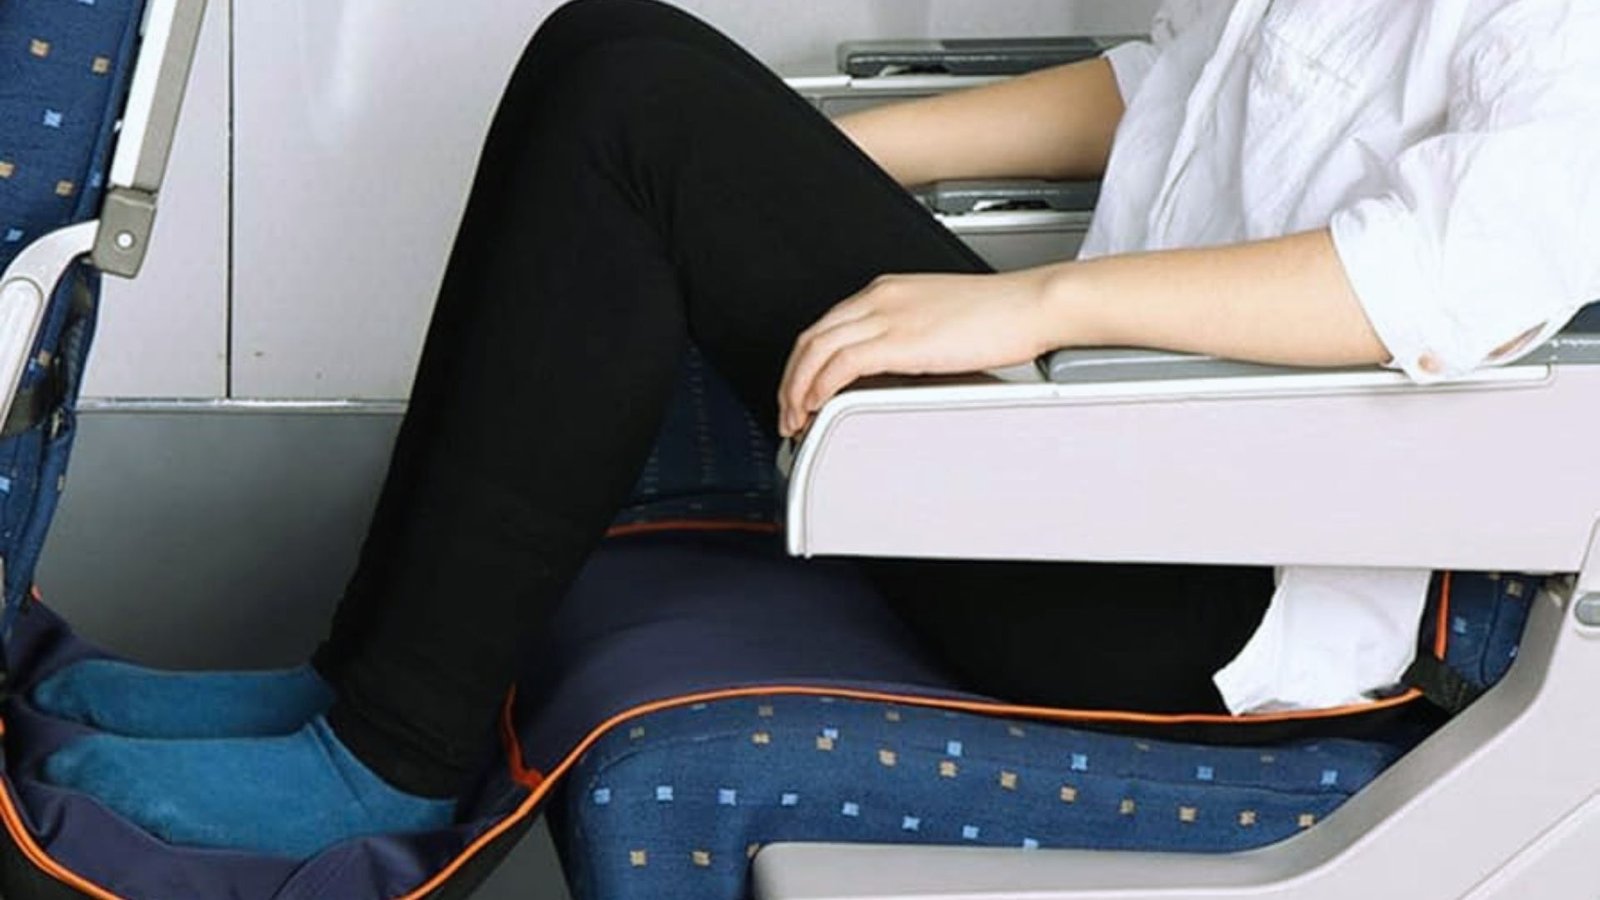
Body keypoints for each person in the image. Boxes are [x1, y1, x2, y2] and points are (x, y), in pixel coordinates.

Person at [27, 0, 1600, 860]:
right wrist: (812, 151)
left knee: (639, 109)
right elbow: (1171, 90)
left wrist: (1035, 310)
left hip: (1191, 585)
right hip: (1088, 464)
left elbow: (1439, 288)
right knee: (616, 62)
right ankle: (363, 682)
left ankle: (392, 756)